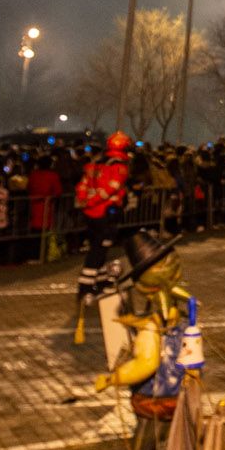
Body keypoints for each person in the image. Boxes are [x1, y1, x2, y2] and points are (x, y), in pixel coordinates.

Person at [75, 131, 131, 338]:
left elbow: (83, 185)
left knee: (98, 247)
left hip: (91, 213)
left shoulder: (97, 162)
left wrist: (84, 201)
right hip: (105, 212)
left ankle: (96, 281)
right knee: (100, 248)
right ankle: (87, 286)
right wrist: (94, 202)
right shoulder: (119, 165)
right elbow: (111, 189)